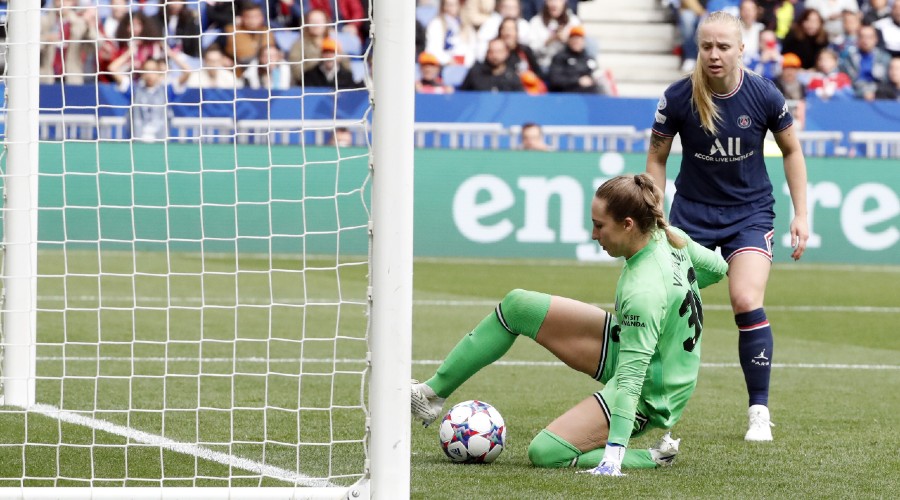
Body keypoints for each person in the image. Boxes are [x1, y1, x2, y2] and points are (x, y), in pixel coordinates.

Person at [411, 173, 729, 476]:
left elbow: (631, 380)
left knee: (546, 452)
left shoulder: (644, 292)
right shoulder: (670, 238)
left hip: (653, 390)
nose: (594, 235)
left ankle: (652, 458)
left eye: (599, 226)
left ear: (628, 225)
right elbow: (718, 268)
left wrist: (614, 454)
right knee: (518, 305)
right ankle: (431, 394)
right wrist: (671, 300)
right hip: (644, 349)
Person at [646, 11, 809, 442]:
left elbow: (792, 151)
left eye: (723, 46)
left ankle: (759, 412)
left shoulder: (764, 95)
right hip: (692, 214)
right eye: (706, 46)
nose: (714, 55)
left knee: (744, 297)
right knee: (665, 306)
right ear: (697, 48)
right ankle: (654, 411)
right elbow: (657, 158)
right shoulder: (678, 96)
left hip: (749, 213)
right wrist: (655, 214)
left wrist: (801, 213)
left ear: (741, 49)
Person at [838, 25, 893, 101]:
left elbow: (886, 81)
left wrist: (873, 91)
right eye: (862, 37)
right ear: (857, 39)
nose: (865, 40)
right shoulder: (849, 57)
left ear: (876, 39)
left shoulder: (885, 58)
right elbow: (845, 80)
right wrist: (861, 92)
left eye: (869, 37)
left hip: (878, 95)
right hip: (853, 94)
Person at [546, 26, 605, 93]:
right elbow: (555, 80)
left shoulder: (589, 59)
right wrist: (577, 81)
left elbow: (596, 75)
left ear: (583, 41)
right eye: (574, 39)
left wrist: (593, 80)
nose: (576, 42)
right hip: (568, 93)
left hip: (589, 94)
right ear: (569, 40)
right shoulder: (560, 58)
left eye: (579, 39)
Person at [458, 37, 524, 91]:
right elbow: (463, 96)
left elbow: (519, 101)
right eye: (491, 51)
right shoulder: (475, 74)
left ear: (506, 53)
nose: (494, 55)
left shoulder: (512, 77)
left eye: (499, 51)